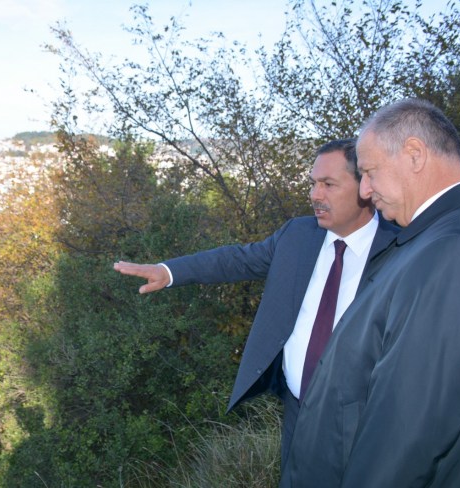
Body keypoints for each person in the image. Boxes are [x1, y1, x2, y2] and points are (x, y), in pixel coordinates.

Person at [113, 138, 399, 464]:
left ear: (365, 186)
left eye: (328, 184)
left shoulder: (402, 250)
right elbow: (235, 260)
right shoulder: (298, 235)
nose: (314, 195)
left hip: (364, 425)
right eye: (313, 183)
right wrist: (168, 272)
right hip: (296, 412)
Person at [280, 98, 460, 487]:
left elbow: (409, 434)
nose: (365, 189)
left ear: (414, 154)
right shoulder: (448, 234)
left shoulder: (456, 252)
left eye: (369, 172)